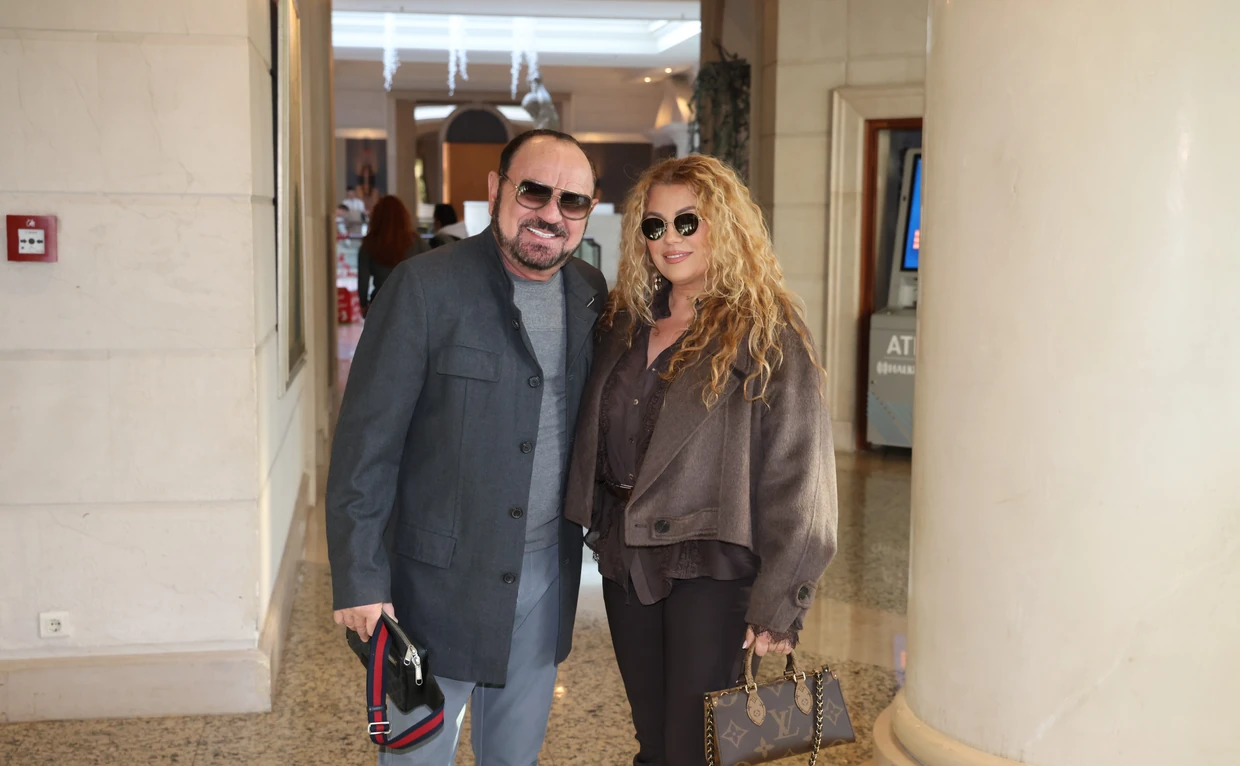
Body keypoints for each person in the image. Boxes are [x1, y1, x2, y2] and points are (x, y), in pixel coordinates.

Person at [326, 129, 606, 765]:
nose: (551, 214)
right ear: (496, 189)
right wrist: (360, 578)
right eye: (534, 191)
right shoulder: (424, 288)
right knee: (417, 758)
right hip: (434, 588)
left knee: (514, 757)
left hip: (545, 579)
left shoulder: (590, 292)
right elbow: (365, 447)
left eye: (572, 201)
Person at [564, 154, 838, 766]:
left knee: (694, 748)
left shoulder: (768, 329)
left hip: (713, 566)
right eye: (654, 225)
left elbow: (801, 475)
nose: (670, 239)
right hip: (626, 559)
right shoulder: (625, 322)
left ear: (725, 224)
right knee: (654, 742)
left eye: (687, 221)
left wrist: (781, 601)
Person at [356, 196, 425, 319]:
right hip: (411, 302)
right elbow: (430, 269)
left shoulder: (368, 244)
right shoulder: (416, 241)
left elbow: (363, 279)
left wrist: (363, 304)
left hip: (380, 302)